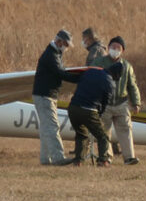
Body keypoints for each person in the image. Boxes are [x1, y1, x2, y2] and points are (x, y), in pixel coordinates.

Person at [31, 29, 82, 166]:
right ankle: (58, 157)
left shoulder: (54, 53)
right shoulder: (51, 55)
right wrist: (80, 78)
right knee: (52, 126)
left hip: (45, 95)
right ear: (59, 41)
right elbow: (61, 73)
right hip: (44, 95)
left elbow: (61, 71)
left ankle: (45, 158)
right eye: (65, 44)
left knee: (46, 128)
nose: (66, 47)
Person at [96, 36, 142, 165]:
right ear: (108, 48)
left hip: (122, 103)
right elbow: (91, 79)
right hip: (104, 104)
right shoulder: (99, 62)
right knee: (104, 131)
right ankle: (106, 157)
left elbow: (132, 85)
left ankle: (129, 157)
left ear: (122, 51)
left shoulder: (127, 66)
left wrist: (136, 102)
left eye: (118, 48)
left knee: (125, 130)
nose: (115, 50)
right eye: (112, 47)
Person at [67, 63, 118, 166]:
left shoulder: (90, 71)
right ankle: (103, 160)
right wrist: (99, 113)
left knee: (81, 134)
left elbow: (78, 80)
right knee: (103, 136)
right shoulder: (109, 82)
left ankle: (78, 161)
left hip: (73, 108)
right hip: (89, 110)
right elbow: (106, 101)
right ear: (116, 75)